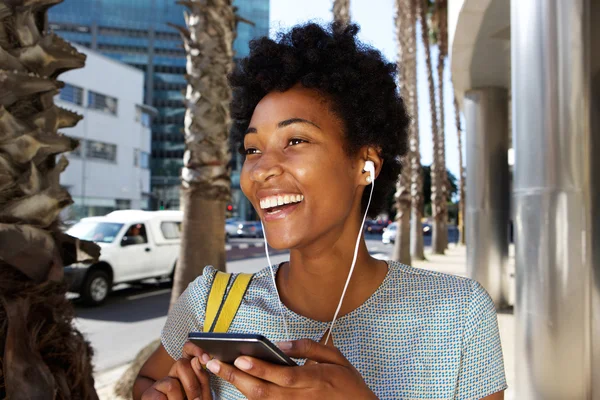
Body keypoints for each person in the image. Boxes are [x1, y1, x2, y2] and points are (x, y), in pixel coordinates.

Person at [133, 23, 506, 400]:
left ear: (366, 164)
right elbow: (145, 385)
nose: (261, 170)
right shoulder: (210, 303)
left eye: (295, 140)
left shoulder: (457, 314)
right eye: (252, 149)